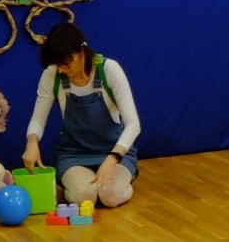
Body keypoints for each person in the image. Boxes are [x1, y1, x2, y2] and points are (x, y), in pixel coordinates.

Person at [22, 23, 140, 207]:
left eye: (65, 64)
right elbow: (38, 119)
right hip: (73, 154)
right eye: (57, 65)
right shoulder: (52, 75)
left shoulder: (109, 69)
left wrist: (113, 157)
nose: (60, 70)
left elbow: (133, 124)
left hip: (114, 152)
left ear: (81, 52)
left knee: (110, 197)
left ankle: (126, 180)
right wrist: (32, 142)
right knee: (86, 197)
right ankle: (70, 185)